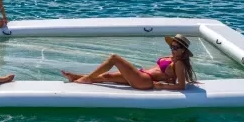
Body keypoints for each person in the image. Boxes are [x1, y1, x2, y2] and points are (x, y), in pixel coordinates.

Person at [60, 34, 196, 90]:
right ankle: (77, 77)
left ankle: (86, 79)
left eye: (176, 47)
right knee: (107, 77)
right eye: (171, 46)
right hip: (141, 74)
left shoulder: (179, 64)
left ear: (183, 50)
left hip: (145, 80)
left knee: (114, 58)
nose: (172, 49)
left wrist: (161, 85)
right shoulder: (171, 58)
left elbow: (181, 86)